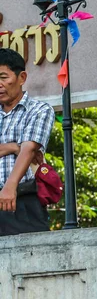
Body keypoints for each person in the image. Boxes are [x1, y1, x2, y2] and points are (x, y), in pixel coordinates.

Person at [0, 48, 54, 235]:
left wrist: (10, 186)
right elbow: (22, 147)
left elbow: (29, 149)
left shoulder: (39, 110)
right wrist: (13, 146)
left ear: (21, 78)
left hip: (22, 200)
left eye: (4, 77)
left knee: (30, 259)